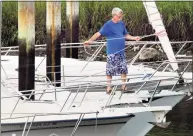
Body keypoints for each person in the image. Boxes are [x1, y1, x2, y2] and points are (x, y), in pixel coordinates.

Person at [84, 7, 141, 94]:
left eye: (121, 16)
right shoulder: (108, 25)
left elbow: (126, 35)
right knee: (110, 71)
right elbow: (98, 33)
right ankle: (108, 89)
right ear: (114, 16)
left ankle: (124, 87)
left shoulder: (121, 23)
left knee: (124, 69)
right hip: (112, 52)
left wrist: (134, 38)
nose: (121, 18)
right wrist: (90, 41)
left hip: (121, 51)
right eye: (119, 16)